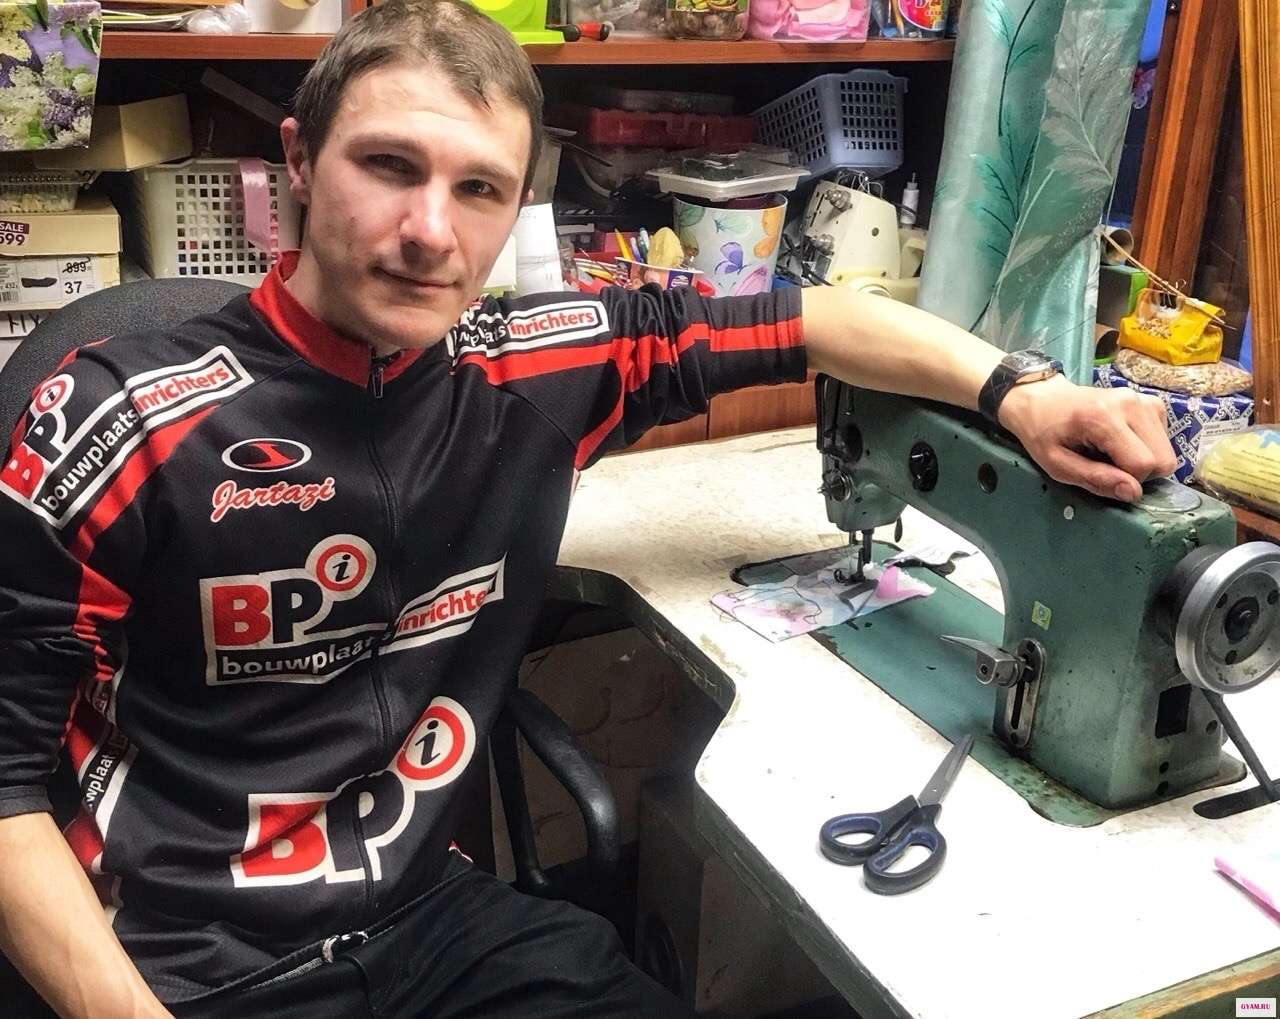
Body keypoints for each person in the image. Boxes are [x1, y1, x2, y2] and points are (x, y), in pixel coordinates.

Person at [0, 2, 1175, 1017]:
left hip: (426, 917)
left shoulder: (533, 364)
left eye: (477, 189)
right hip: (185, 961)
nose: (430, 231)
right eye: (389, 166)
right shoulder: (117, 421)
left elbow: (813, 319)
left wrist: (1021, 392)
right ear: (299, 160)